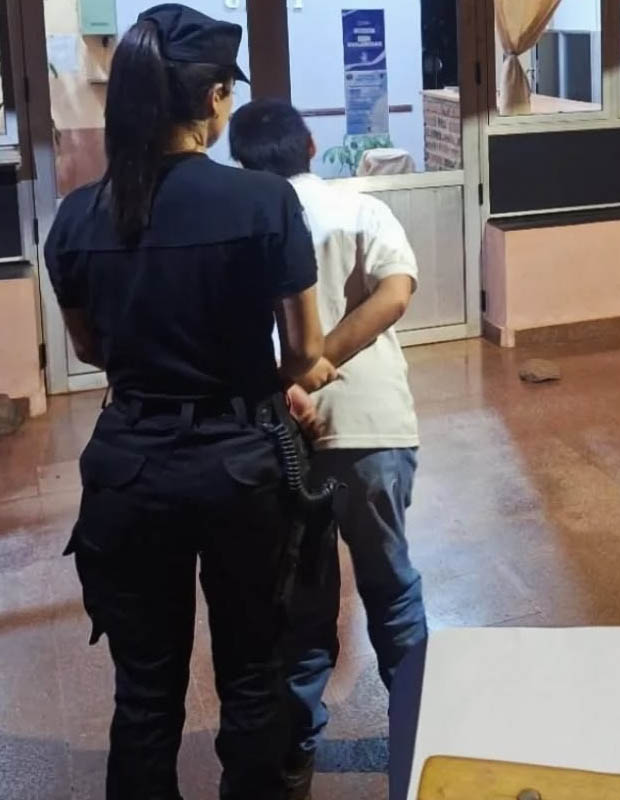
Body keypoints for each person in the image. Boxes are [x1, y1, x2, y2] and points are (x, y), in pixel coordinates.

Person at [44, 7, 337, 800]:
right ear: (212, 97)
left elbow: (90, 350)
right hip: (240, 469)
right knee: (252, 671)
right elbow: (302, 353)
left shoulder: (77, 216)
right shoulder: (263, 202)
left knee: (144, 691)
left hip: (129, 470)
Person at [230, 99, 428, 775]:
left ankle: (295, 754)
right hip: (374, 427)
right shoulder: (361, 208)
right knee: (392, 588)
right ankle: (421, 734)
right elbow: (395, 293)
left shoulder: (246, 228)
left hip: (284, 435)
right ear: (311, 145)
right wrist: (323, 363)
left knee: (302, 601)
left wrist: (298, 377)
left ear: (242, 164)